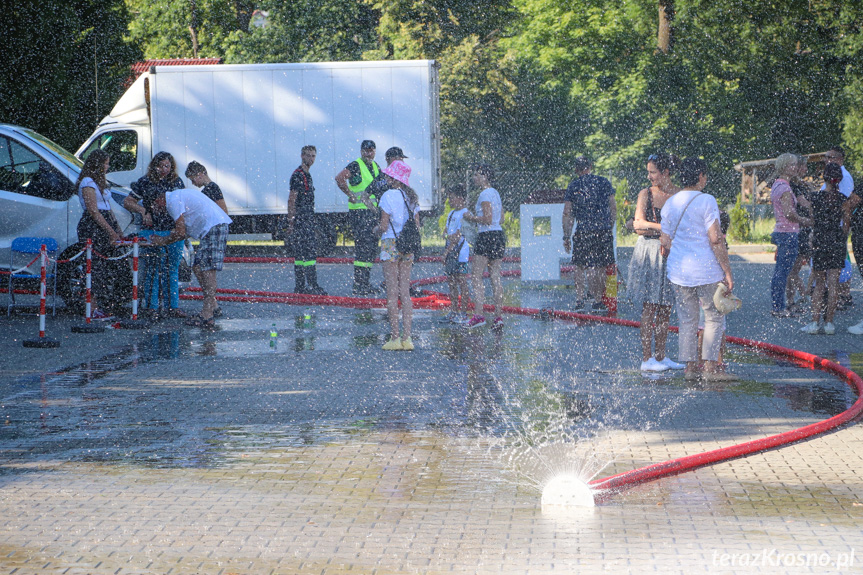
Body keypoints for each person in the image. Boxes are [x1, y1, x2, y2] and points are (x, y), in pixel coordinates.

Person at [660, 158, 734, 381]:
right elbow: (715, 239)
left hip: (679, 273)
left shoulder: (670, 203)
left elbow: (664, 241)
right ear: (701, 176)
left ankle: (690, 369)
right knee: (713, 318)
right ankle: (710, 370)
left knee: (687, 321)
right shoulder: (707, 200)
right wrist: (728, 271)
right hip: (706, 271)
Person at [627, 153, 684, 372]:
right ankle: (646, 358)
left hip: (671, 252)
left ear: (666, 173)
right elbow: (638, 225)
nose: (649, 176)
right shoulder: (646, 194)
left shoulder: (679, 194)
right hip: (649, 252)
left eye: (653, 172)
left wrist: (660, 230)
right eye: (649, 172)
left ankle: (661, 357)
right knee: (650, 305)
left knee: (666, 306)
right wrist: (664, 228)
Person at [149, 187, 232, 328]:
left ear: (159, 200)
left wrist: (162, 241)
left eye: (154, 206)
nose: (155, 210)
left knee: (207, 270)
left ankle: (207, 315)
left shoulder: (172, 202)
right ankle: (213, 305)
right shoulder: (178, 196)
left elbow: (181, 233)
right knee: (198, 266)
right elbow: (184, 230)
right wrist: (170, 236)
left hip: (214, 226)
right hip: (214, 226)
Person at [123, 152, 187, 319]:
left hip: (172, 229)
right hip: (152, 230)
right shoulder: (145, 181)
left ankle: (172, 306)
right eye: (161, 166)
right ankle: (151, 307)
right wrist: (143, 210)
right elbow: (128, 201)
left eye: (167, 166)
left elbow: (183, 203)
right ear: (154, 166)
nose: (164, 170)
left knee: (172, 269)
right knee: (153, 268)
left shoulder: (176, 181)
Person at [373, 160, 420, 350]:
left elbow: (384, 226)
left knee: (392, 292)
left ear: (393, 178)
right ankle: (407, 339)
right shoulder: (412, 197)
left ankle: (394, 338)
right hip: (408, 245)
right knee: (405, 292)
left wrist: (375, 229)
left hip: (391, 244)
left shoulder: (387, 196)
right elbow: (416, 225)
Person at [562, 155, 616, 312]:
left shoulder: (573, 186)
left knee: (580, 266)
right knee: (599, 266)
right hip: (603, 229)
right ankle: (598, 301)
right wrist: (609, 226)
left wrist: (566, 236)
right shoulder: (603, 182)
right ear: (590, 166)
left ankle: (579, 301)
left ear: (576, 169)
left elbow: (567, 213)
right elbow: (613, 207)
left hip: (583, 230)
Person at [76, 149, 124, 320]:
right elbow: (94, 212)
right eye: (105, 163)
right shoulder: (87, 182)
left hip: (105, 223)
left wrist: (117, 229)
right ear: (97, 163)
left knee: (105, 266)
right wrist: (110, 232)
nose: (107, 166)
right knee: (94, 266)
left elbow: (108, 208)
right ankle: (91, 307)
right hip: (93, 226)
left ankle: (102, 305)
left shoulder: (100, 182)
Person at [801, 163, 847, 335]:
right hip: (836, 241)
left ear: (824, 177)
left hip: (820, 240)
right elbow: (846, 225)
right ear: (839, 180)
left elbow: (813, 220)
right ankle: (829, 324)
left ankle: (814, 323)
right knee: (834, 283)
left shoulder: (815, 197)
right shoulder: (843, 199)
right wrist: (840, 238)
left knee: (819, 283)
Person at [335, 140, 382, 295]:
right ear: (361, 151)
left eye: (371, 150)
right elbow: (339, 178)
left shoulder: (376, 166)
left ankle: (365, 282)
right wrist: (350, 195)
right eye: (366, 151)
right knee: (363, 249)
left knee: (371, 249)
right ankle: (359, 284)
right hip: (360, 214)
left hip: (372, 213)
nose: (369, 153)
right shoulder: (356, 165)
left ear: (375, 151)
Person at [769, 153, 812, 317]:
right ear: (785, 167)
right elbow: (789, 214)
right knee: (783, 273)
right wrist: (807, 221)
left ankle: (779, 306)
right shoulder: (785, 188)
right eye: (792, 165)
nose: (795, 167)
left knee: (782, 272)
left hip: (783, 232)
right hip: (788, 233)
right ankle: (778, 308)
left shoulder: (778, 184)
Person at [463, 164, 505, 329]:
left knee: (476, 276)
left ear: (485, 176)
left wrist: (471, 218)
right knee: (495, 276)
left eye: (477, 175)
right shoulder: (495, 193)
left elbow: (487, 219)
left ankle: (479, 315)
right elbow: (500, 219)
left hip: (486, 235)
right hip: (498, 235)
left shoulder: (484, 194)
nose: (474, 178)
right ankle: (498, 317)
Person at [284, 146, 326, 295]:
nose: (311, 159)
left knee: (308, 253)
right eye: (308, 156)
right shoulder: (298, 175)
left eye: (313, 156)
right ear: (301, 156)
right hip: (301, 219)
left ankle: (309, 284)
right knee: (303, 254)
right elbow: (292, 199)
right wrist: (291, 221)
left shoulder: (307, 175)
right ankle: (303, 286)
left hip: (308, 218)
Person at [822, 147, 855, 309]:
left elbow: (846, 203)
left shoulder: (844, 177)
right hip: (829, 227)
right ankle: (839, 295)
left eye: (831, 157)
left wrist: (843, 228)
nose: (827, 160)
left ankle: (843, 295)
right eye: (826, 157)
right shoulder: (831, 174)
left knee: (841, 262)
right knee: (838, 261)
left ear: (840, 159)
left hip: (837, 226)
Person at [786, 155, 814, 313]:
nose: (805, 170)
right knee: (793, 269)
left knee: (804, 266)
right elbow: (804, 203)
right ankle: (794, 299)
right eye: (803, 167)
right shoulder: (794, 186)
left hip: (805, 229)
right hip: (799, 229)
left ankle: (804, 295)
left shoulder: (801, 185)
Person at [442, 184, 471, 324]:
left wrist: (446, 252)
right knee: (451, 282)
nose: (449, 201)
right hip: (451, 252)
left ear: (460, 198)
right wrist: (445, 233)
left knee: (461, 280)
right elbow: (447, 231)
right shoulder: (452, 213)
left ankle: (464, 313)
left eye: (452, 198)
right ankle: (454, 311)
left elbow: (457, 236)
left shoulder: (465, 214)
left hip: (460, 254)